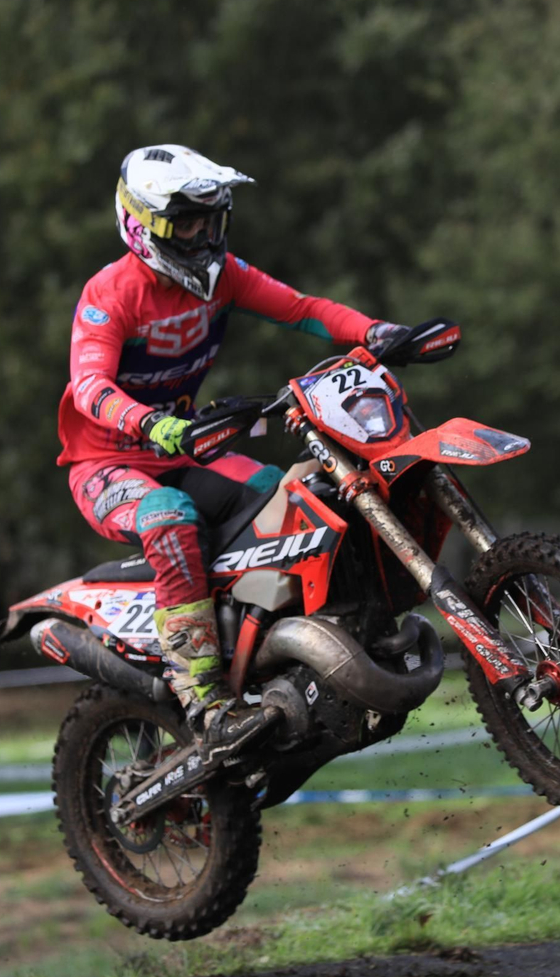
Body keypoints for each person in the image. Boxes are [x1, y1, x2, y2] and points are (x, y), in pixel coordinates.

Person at [58, 144, 406, 745]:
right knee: (171, 516)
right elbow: (88, 385)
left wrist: (374, 331)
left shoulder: (225, 278)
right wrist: (148, 423)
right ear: (142, 226)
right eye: (184, 224)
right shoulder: (110, 294)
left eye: (209, 221)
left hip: (187, 449)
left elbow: (303, 311)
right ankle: (204, 694)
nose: (199, 236)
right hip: (108, 464)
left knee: (288, 495)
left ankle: (298, 649)